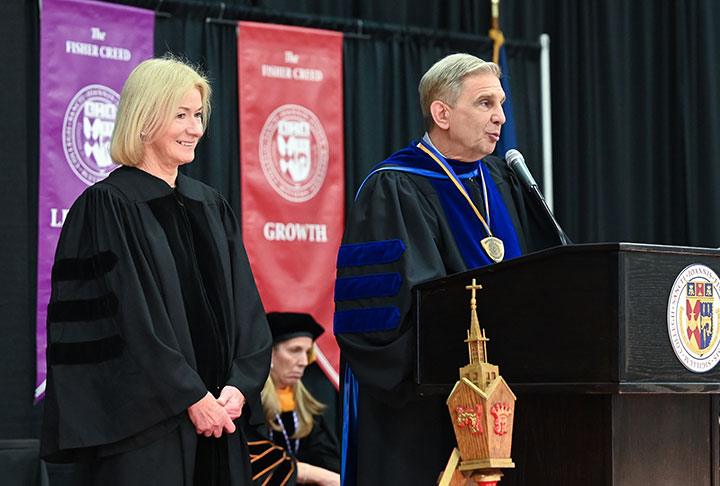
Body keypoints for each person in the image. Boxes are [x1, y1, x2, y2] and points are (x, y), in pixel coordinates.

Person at [333, 53, 564, 486]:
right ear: (442, 113)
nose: (500, 117)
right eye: (485, 104)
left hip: (509, 405)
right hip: (425, 410)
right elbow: (385, 317)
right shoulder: (395, 184)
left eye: (501, 104)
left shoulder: (502, 179)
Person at [40, 56, 272, 486]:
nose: (195, 128)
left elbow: (248, 309)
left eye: (198, 114)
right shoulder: (107, 206)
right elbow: (125, 321)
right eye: (180, 115)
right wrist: (190, 396)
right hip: (151, 433)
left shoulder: (210, 204)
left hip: (224, 419)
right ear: (144, 121)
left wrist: (240, 385)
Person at [248, 312, 340, 486]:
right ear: (270, 354)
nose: (304, 361)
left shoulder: (307, 404)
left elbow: (327, 457)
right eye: (295, 350)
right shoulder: (249, 404)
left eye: (307, 352)